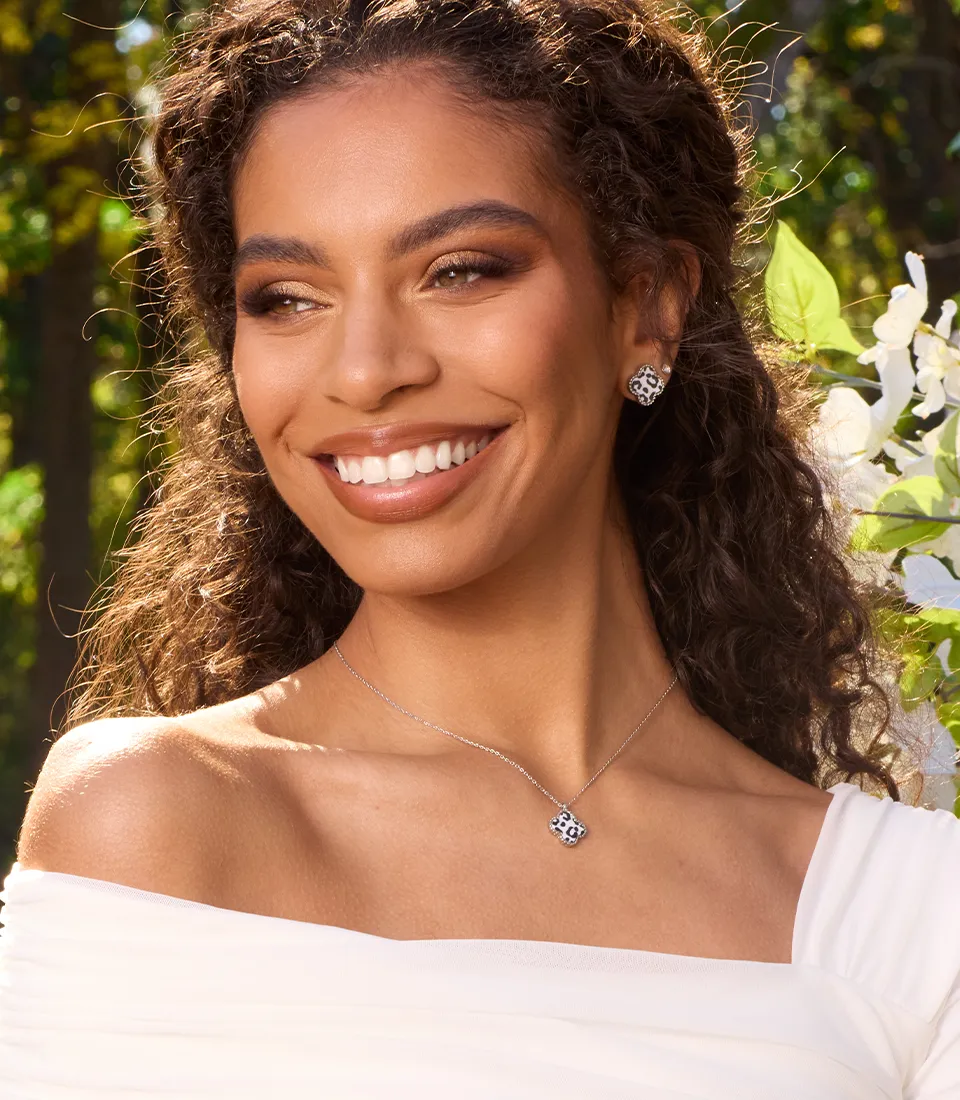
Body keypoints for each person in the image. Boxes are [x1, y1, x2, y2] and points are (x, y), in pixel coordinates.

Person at [1, 0, 958, 1094]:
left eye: (459, 270)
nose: (365, 370)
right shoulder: (155, 820)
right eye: (288, 298)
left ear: (646, 305)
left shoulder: (908, 916)